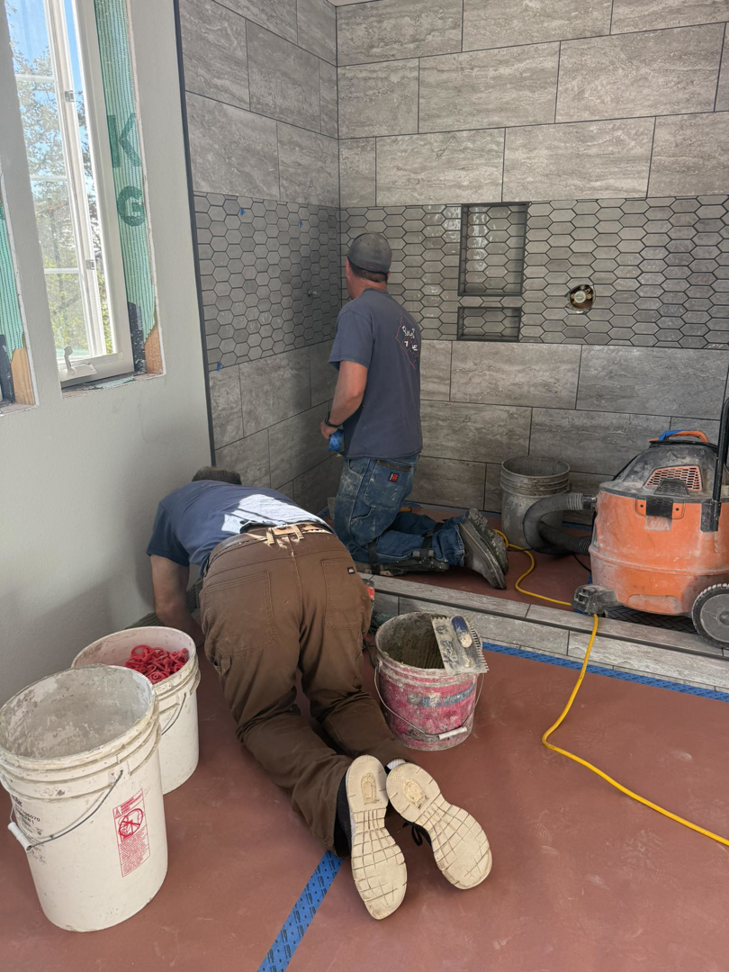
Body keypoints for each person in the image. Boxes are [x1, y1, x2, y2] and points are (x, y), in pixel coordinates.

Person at [146, 467, 492, 919]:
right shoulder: (267, 495)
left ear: (200, 483)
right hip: (327, 556)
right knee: (342, 695)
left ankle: (341, 793)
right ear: (234, 484)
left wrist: (228, 657)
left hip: (241, 573)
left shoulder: (175, 503)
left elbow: (168, 605)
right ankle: (397, 766)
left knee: (265, 717)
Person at [321, 232, 508, 588]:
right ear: (386, 275)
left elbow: (352, 390)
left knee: (353, 542)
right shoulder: (404, 318)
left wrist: (330, 423)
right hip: (403, 450)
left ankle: (454, 546)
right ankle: (459, 528)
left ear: (348, 269)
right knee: (381, 521)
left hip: (376, 455)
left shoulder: (357, 313)